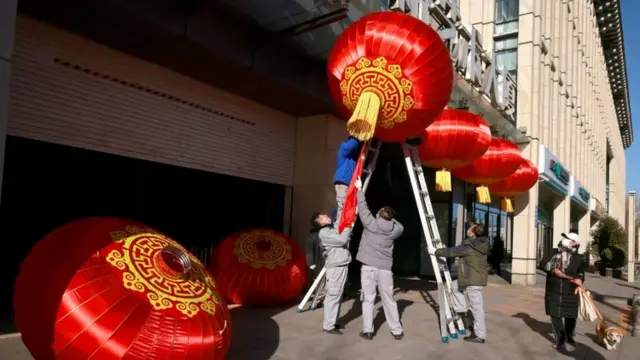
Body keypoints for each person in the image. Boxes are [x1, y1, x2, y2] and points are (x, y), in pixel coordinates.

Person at [354, 178, 405, 341]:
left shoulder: (370, 223)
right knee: (388, 299)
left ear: (379, 214)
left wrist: (359, 190)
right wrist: (390, 218)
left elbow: (362, 207)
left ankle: (368, 331)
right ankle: (397, 330)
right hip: (384, 269)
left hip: (368, 267)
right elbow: (400, 226)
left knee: (368, 299)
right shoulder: (395, 230)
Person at [433, 222, 489, 344]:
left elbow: (451, 252)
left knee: (476, 309)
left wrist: (436, 251)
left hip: (472, 281)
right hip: (475, 278)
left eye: (470, 229)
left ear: (473, 233)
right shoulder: (481, 243)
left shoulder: (469, 246)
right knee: (454, 285)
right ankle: (461, 309)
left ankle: (480, 335)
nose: (468, 230)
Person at [542, 232, 587, 352]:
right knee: (555, 315)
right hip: (554, 290)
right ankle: (560, 340)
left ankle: (569, 336)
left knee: (570, 316)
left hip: (571, 292)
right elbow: (542, 264)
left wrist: (579, 279)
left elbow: (581, 272)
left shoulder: (579, 258)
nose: (564, 240)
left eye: (568, 239)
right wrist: (552, 269)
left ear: (574, 243)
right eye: (565, 238)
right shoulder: (553, 253)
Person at [310, 212, 353, 335]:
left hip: (341, 264)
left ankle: (333, 321)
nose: (327, 216)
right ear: (320, 222)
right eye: (323, 216)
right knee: (333, 295)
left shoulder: (331, 229)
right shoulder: (324, 233)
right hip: (335, 267)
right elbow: (342, 239)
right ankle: (328, 326)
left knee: (337, 295)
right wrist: (348, 226)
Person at [333, 136, 362, 225]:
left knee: (345, 205)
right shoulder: (344, 148)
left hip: (346, 181)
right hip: (343, 181)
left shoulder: (352, 156)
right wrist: (357, 137)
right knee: (343, 206)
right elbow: (349, 146)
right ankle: (339, 227)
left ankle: (341, 225)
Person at [306, 225, 327, 308]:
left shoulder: (324, 235)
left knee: (323, 282)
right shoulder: (313, 237)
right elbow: (309, 251)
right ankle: (318, 300)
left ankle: (321, 300)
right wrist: (310, 263)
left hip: (324, 261)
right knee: (319, 282)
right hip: (319, 262)